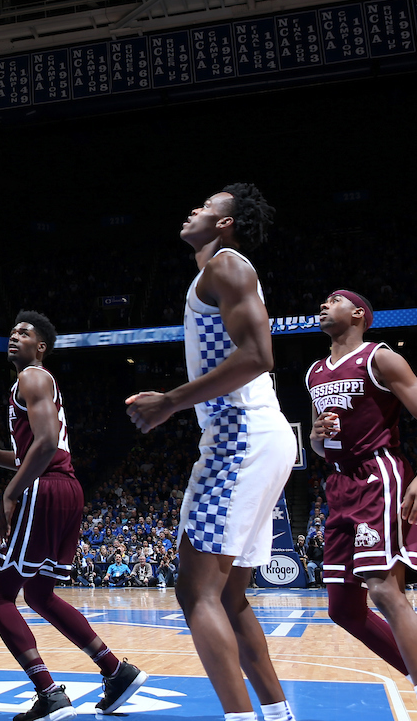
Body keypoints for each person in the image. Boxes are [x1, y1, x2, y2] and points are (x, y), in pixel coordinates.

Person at [125, 186, 297, 721]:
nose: (192, 208)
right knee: (228, 599)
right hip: (258, 436)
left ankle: (240, 719)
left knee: (195, 591)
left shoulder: (226, 267)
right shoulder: (216, 271)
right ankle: (277, 714)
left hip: (241, 435)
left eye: (204, 205)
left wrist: (170, 402)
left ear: (224, 224)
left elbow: (259, 356)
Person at [307, 290, 417, 719]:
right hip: (339, 482)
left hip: (378, 473)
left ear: (358, 314)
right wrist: (315, 436)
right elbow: (320, 446)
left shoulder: (380, 358)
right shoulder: (314, 373)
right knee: (343, 610)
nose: (323, 305)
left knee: (385, 589)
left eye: (334, 300)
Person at [0, 311, 148, 721]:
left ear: (41, 348)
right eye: (12, 330)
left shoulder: (32, 377)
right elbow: (34, 448)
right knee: (38, 594)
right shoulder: (36, 385)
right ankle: (115, 671)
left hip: (45, 487)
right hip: (66, 488)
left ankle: (49, 693)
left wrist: (9, 494)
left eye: (24, 333)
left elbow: (47, 444)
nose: (14, 336)